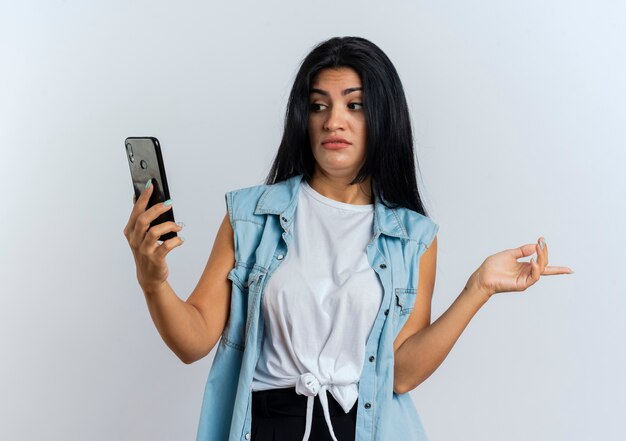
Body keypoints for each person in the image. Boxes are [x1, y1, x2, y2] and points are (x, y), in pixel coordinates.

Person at [123, 36, 574, 441]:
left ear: (383, 117)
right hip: (267, 426)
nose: (333, 120)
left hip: (363, 428)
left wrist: (478, 289)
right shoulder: (251, 216)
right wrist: (153, 281)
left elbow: (400, 376)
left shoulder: (412, 237)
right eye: (319, 105)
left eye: (353, 105)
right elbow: (194, 341)